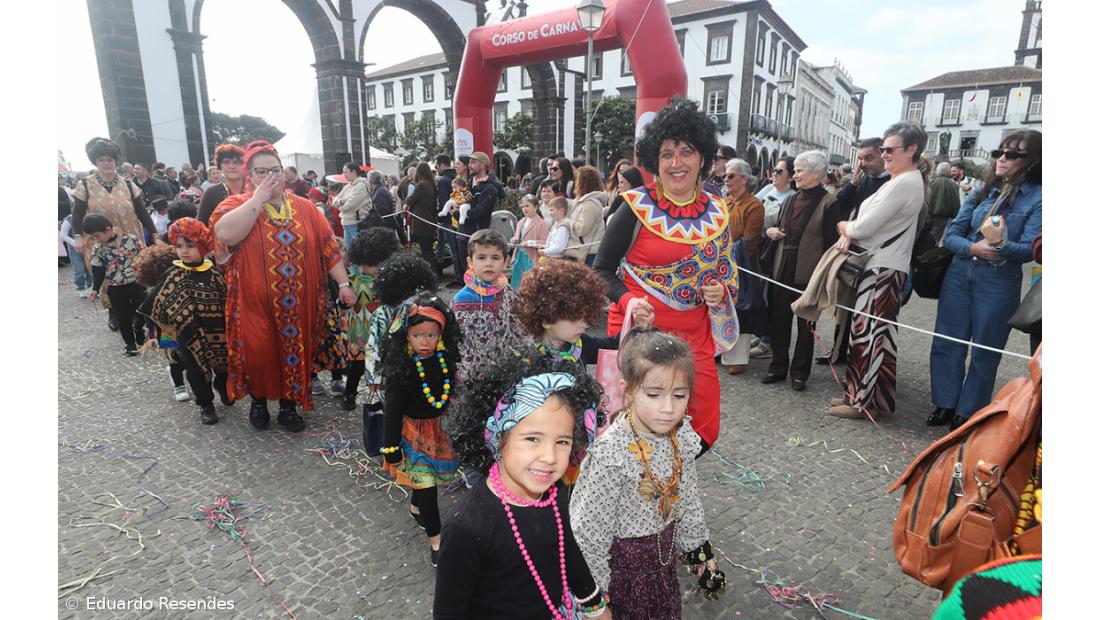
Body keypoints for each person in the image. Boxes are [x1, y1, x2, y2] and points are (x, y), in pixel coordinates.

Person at [593, 97, 738, 454]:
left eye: (686, 152)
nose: (677, 163)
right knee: (641, 428)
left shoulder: (719, 209)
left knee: (703, 427)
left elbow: (726, 273)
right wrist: (628, 300)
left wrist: (721, 291)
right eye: (667, 154)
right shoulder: (634, 208)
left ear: (702, 157)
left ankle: (671, 479)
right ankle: (646, 498)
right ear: (654, 163)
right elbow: (599, 271)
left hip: (696, 334)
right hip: (642, 333)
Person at [435, 353, 609, 619]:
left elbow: (566, 547)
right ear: (497, 438)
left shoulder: (554, 492)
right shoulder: (465, 529)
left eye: (562, 441)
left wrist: (593, 603)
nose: (550, 457)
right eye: (532, 439)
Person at [571, 329, 726, 618]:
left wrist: (700, 553)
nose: (668, 408)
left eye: (679, 395)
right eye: (654, 394)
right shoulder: (611, 455)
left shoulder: (682, 438)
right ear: (627, 390)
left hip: (662, 571)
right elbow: (589, 534)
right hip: (623, 576)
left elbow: (688, 499)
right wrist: (595, 604)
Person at [210, 141, 354, 432]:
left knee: (294, 352)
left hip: (298, 304)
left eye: (274, 170)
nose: (270, 176)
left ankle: (289, 407)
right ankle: (259, 401)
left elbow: (329, 249)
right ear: (249, 175)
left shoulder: (305, 208)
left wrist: (344, 283)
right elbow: (224, 234)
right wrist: (257, 200)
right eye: (261, 171)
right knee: (259, 352)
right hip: (253, 303)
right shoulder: (235, 205)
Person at [929, 130, 1042, 430]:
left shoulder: (1040, 197)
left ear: (1033, 161)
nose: (1002, 158)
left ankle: (969, 410)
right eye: (999, 152)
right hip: (960, 271)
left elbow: (1031, 248)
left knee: (986, 348)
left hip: (998, 279)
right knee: (947, 340)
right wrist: (972, 246)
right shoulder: (983, 188)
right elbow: (952, 233)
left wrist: (1001, 245)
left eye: (1013, 154)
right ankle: (945, 403)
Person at [828, 123, 928, 419]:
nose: (884, 155)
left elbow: (863, 226)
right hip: (883, 264)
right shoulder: (904, 180)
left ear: (911, 150)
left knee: (868, 335)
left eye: (889, 149)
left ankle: (861, 402)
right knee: (875, 335)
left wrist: (845, 226)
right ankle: (868, 397)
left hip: (883, 267)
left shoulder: (905, 183)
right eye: (882, 149)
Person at [380, 292, 462, 566]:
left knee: (428, 479)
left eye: (431, 335)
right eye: (417, 336)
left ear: (441, 334)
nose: (424, 342)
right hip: (412, 435)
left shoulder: (445, 361)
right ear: (406, 335)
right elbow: (391, 411)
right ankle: (436, 540)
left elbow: (451, 395)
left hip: (440, 431)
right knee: (428, 487)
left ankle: (415, 506)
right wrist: (390, 447)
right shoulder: (401, 369)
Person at [761, 150, 841, 391]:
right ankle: (778, 366)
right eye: (794, 170)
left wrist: (824, 275)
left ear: (816, 173)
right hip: (782, 266)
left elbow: (830, 244)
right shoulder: (791, 199)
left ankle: (799, 373)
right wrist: (771, 232)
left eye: (799, 170)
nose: (795, 175)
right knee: (779, 321)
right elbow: (777, 227)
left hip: (809, 272)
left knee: (806, 325)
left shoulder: (830, 203)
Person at [140, 218, 233, 425]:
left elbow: (228, 301)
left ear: (203, 247)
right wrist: (156, 334)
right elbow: (156, 304)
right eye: (179, 246)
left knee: (223, 364)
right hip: (187, 333)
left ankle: (222, 386)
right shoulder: (173, 274)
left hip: (217, 330)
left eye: (190, 246)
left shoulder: (215, 274)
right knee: (195, 371)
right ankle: (206, 405)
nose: (184, 251)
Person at [362, 254, 439, 455]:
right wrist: (373, 376)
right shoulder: (384, 313)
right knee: (393, 409)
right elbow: (373, 346)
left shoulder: (420, 310)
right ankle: (394, 444)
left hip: (415, 370)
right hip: (392, 372)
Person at [513, 260, 654, 368]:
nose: (585, 324)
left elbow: (616, 345)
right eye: (575, 318)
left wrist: (640, 327)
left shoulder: (583, 344)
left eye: (586, 316)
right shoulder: (526, 356)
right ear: (547, 320)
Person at [340, 226, 401, 412]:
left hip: (383, 330)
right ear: (361, 262)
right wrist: (344, 303)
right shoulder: (353, 280)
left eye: (381, 263)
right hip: (360, 331)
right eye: (373, 264)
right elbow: (343, 302)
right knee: (358, 366)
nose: (377, 268)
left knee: (384, 363)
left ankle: (384, 394)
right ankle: (350, 393)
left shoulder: (390, 279)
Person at [453, 229, 522, 383]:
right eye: (482, 257)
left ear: (506, 262)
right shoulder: (462, 299)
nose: (489, 263)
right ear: (471, 262)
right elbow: (457, 340)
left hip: (504, 372)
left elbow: (517, 329)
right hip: (470, 376)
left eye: (495, 258)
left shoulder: (509, 293)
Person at [719, 158, 766, 375]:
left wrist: (725, 250)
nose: (725, 179)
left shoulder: (754, 205)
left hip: (741, 267)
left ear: (744, 179)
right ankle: (720, 348)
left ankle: (738, 357)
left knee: (741, 311)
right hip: (719, 264)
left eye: (731, 176)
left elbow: (749, 241)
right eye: (725, 175)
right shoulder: (724, 202)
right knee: (721, 308)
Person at [749, 155, 797, 360]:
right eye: (774, 170)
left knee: (771, 296)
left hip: (774, 253)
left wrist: (771, 231)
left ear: (790, 176)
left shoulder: (792, 198)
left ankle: (768, 340)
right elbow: (754, 207)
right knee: (759, 293)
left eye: (779, 171)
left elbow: (788, 228)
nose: (774, 175)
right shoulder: (768, 191)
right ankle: (761, 334)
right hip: (760, 247)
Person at [84, 214, 147, 356]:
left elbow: (145, 257)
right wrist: (95, 288)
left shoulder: (131, 239)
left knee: (143, 311)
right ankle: (130, 345)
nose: (96, 240)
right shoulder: (98, 248)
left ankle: (139, 331)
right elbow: (98, 270)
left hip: (137, 283)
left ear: (108, 230)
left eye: (97, 236)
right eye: (93, 237)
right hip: (115, 287)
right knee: (122, 317)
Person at [405, 162, 440, 277]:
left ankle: (433, 276)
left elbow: (409, 200)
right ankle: (435, 274)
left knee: (426, 252)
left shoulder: (421, 185)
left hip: (421, 223)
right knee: (428, 250)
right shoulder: (432, 184)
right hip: (429, 221)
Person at [568, 166, 608, 266]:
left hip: (588, 254)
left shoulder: (589, 204)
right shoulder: (587, 202)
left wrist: (567, 223)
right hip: (586, 252)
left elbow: (583, 229)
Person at [197, 144, 246, 224]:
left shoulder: (254, 189)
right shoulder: (211, 193)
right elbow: (202, 225)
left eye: (236, 162)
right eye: (226, 162)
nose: (231, 166)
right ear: (220, 166)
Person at [509, 194, 549, 287]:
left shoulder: (542, 224)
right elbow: (517, 236)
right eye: (523, 206)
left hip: (531, 257)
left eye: (527, 206)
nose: (524, 209)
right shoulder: (521, 222)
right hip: (519, 256)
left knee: (529, 282)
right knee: (516, 280)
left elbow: (545, 242)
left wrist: (529, 243)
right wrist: (514, 239)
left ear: (535, 207)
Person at [331, 161, 374, 249]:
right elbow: (334, 200)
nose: (344, 175)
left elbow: (348, 206)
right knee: (350, 252)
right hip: (347, 222)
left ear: (353, 172)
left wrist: (339, 204)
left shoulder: (361, 186)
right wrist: (341, 201)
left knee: (358, 251)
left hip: (356, 223)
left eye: (346, 172)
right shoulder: (348, 186)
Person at [926, 162, 962, 243]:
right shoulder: (953, 185)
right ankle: (928, 254)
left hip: (927, 215)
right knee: (935, 239)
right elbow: (956, 202)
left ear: (937, 170)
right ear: (948, 171)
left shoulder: (929, 182)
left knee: (923, 236)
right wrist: (955, 215)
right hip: (942, 218)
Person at [59, 214, 92, 297]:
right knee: (79, 269)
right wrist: (75, 243)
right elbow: (63, 234)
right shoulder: (69, 219)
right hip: (74, 249)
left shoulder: (88, 216)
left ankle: (90, 286)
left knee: (89, 267)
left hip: (87, 247)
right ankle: (80, 288)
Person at [539, 196, 579, 261]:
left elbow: (559, 248)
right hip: (550, 258)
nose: (550, 213)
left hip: (556, 260)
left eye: (552, 210)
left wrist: (544, 251)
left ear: (561, 211)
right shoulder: (556, 223)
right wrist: (544, 247)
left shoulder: (563, 227)